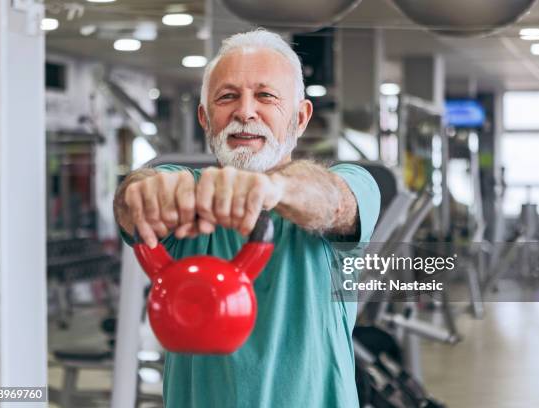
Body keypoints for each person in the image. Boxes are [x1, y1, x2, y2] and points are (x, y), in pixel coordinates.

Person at [113, 29, 380, 408]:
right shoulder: (189, 193)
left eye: (266, 95)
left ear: (300, 118)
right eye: (228, 96)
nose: (245, 111)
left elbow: (333, 201)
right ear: (205, 118)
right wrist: (140, 192)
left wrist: (273, 190)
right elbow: (135, 197)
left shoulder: (352, 185)